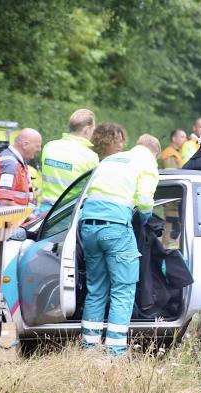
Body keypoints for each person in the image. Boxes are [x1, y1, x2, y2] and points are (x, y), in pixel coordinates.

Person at [79, 134, 161, 356]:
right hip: (115, 229)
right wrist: (144, 220)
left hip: (88, 225)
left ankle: (89, 349)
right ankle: (115, 352)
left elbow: (85, 194)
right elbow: (145, 200)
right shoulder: (148, 164)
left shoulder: (110, 159)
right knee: (123, 290)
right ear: (155, 154)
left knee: (95, 289)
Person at [37, 109, 97, 214]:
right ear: (87, 129)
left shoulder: (49, 146)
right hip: (68, 213)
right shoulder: (90, 156)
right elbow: (92, 189)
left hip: (44, 211)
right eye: (93, 129)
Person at [0, 128, 42, 208]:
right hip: (7, 219)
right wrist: (29, 216)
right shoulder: (10, 163)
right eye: (37, 146)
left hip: (11, 218)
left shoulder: (15, 161)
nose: (39, 149)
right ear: (25, 145)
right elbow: (5, 202)